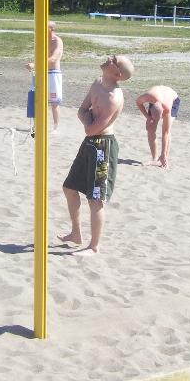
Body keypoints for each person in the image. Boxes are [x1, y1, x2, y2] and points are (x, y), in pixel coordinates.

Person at [59, 54, 134, 256]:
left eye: (114, 60)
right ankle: (76, 234)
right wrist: (88, 118)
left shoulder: (113, 98)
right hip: (90, 143)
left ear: (117, 74)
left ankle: (94, 246)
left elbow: (91, 129)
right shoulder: (97, 83)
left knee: (95, 199)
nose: (109, 58)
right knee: (69, 188)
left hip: (103, 146)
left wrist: (88, 119)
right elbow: (81, 111)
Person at [25, 21, 64, 131]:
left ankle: (55, 128)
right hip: (42, 72)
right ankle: (38, 126)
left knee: (54, 102)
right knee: (39, 100)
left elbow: (53, 59)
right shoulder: (42, 40)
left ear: (51, 29)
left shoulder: (57, 41)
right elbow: (40, 57)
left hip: (53, 74)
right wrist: (32, 66)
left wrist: (35, 65)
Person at [136, 85, 180, 168]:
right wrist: (148, 117)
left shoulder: (167, 108)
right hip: (157, 98)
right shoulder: (148, 96)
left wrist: (163, 153)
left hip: (173, 100)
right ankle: (155, 159)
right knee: (150, 128)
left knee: (166, 130)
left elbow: (166, 132)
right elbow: (138, 102)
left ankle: (164, 158)